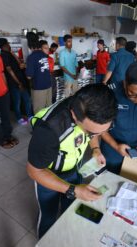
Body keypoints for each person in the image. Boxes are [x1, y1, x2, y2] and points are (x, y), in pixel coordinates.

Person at [27, 84, 117, 238]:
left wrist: (95, 149)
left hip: (74, 170)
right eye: (92, 132)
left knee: (71, 208)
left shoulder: (94, 110)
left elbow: (95, 131)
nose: (99, 135)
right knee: (49, 214)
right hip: (48, 175)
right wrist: (72, 190)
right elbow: (34, 170)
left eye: (105, 130)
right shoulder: (48, 131)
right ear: (75, 116)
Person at [97, 61, 137, 174]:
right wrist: (116, 146)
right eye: (132, 94)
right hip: (112, 149)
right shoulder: (111, 92)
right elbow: (98, 127)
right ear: (124, 83)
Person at [0, 38, 33, 125]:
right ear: (5, 45)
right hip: (14, 83)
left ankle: (29, 115)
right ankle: (19, 118)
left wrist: (13, 54)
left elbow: (20, 63)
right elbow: (9, 70)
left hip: (21, 80)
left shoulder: (9, 53)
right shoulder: (3, 56)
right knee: (17, 102)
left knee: (27, 99)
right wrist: (18, 83)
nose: (9, 45)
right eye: (8, 44)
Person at [26, 40, 52, 114]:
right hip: (48, 85)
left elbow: (29, 76)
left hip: (39, 87)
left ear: (30, 47)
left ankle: (39, 125)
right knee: (48, 109)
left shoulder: (31, 57)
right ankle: (48, 124)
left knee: (39, 111)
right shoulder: (44, 55)